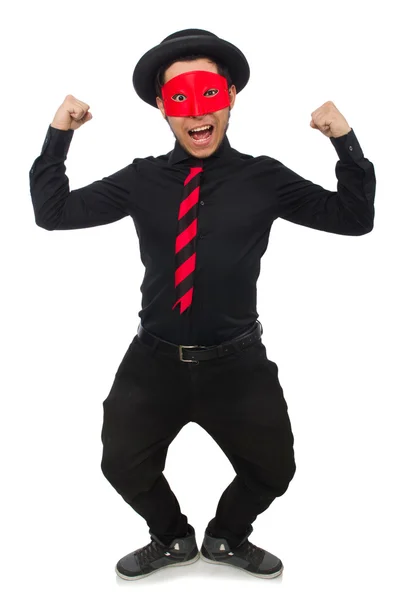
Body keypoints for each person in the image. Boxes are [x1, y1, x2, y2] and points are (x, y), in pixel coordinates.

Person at [29, 28, 376, 582]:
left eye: (209, 93)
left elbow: (355, 219)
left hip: (237, 361)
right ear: (163, 109)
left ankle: (226, 538)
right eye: (180, 98)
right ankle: (170, 539)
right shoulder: (142, 179)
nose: (196, 111)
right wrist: (58, 136)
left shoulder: (264, 178)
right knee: (121, 462)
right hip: (153, 360)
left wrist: (344, 142)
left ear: (231, 97)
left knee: (274, 468)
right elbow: (53, 212)